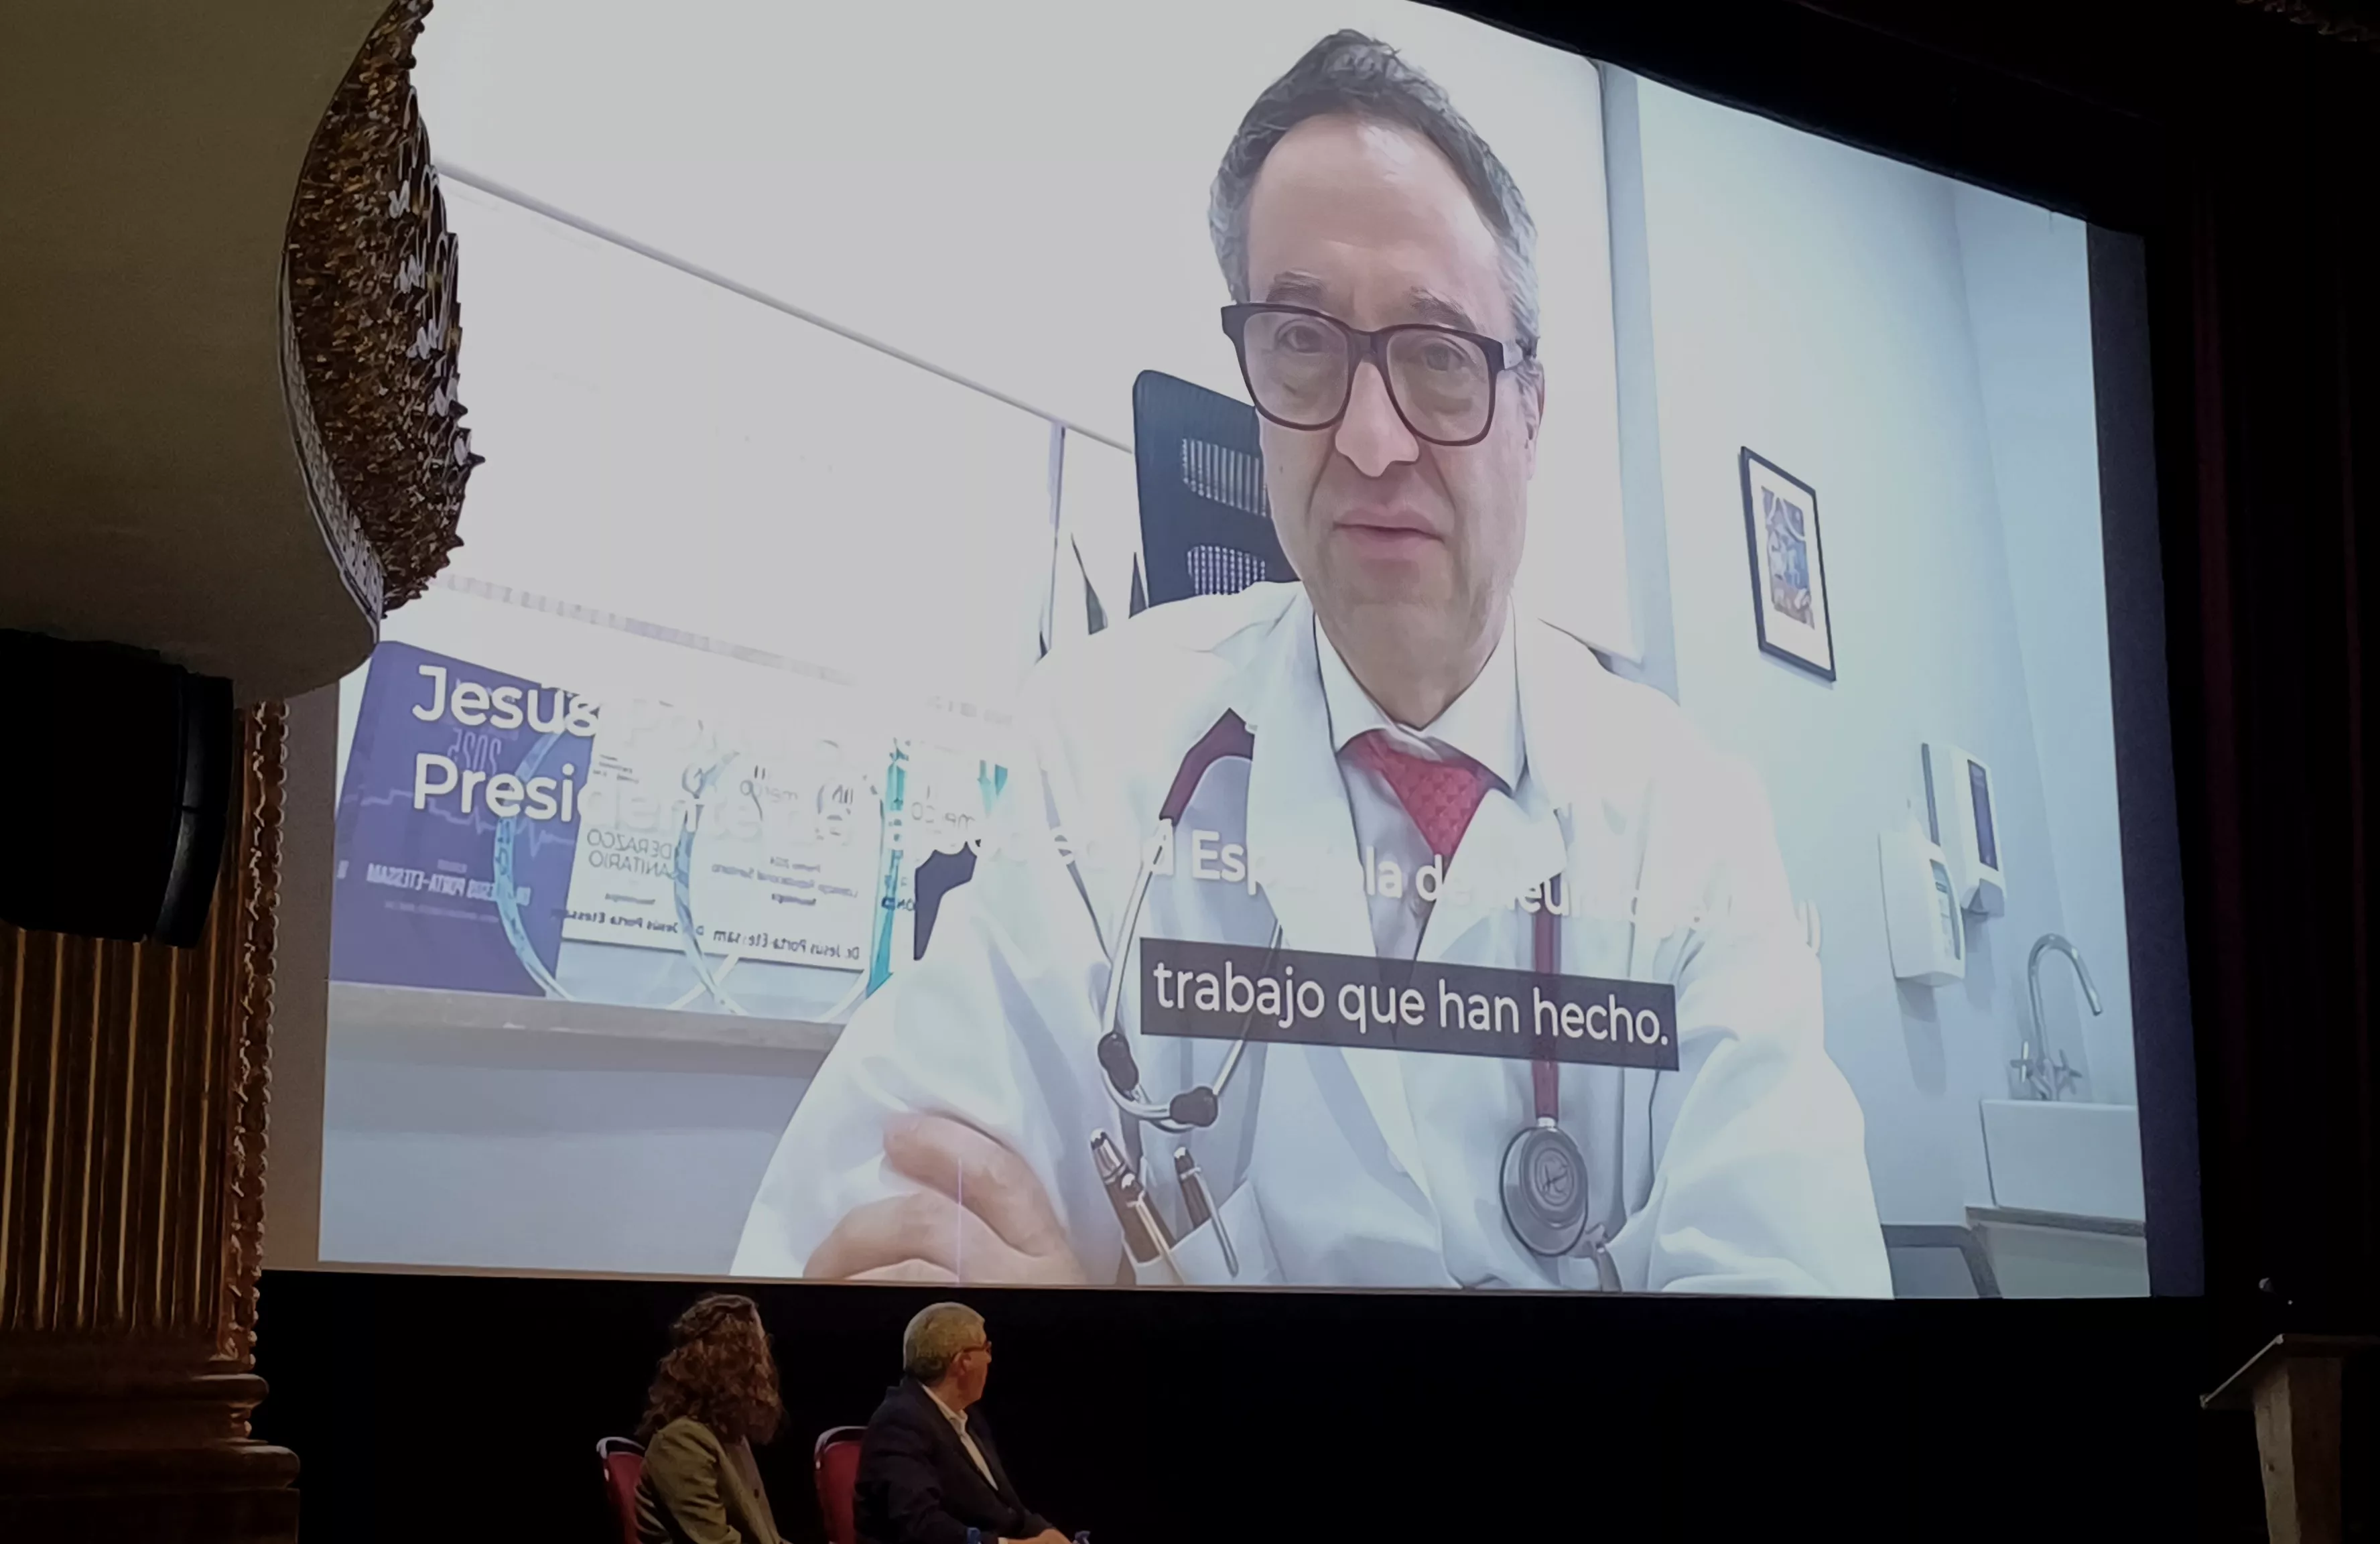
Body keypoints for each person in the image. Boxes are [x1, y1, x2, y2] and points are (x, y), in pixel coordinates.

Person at [734, 30, 1889, 1296]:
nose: (1372, 437)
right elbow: (867, 1227)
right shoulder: (1102, 745)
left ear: (1532, 410)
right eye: (1303, 342)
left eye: (1439, 353)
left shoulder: (1694, 824)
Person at [856, 1303, 1068, 1544]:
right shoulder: (899, 1422)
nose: (990, 1359)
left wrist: (1044, 1533)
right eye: (986, 1348)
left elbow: (1004, 1509)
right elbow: (921, 1526)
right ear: (963, 1362)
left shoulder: (969, 1418)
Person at [634, 1293, 787, 1544]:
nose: (767, 1361)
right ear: (737, 1361)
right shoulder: (680, 1443)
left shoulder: (730, 1437)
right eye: (761, 1346)